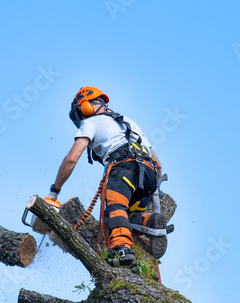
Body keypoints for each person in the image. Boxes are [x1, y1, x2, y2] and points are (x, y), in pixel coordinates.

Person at [47, 86, 166, 266]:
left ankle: (122, 250)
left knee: (115, 208)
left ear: (85, 106)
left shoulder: (91, 122)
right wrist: (154, 191)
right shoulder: (129, 121)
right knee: (129, 216)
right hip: (148, 176)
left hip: (123, 169)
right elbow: (157, 164)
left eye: (80, 113)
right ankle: (150, 221)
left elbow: (71, 158)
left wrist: (54, 191)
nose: (81, 118)